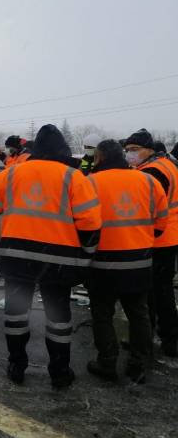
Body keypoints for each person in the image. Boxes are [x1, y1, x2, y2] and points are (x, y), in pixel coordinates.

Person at [0, 124, 101, 389]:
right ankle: (59, 371)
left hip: (16, 257)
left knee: (16, 314)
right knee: (58, 316)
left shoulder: (13, 173)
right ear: (62, 150)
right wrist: (86, 256)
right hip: (58, 261)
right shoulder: (74, 177)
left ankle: (16, 365)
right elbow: (91, 223)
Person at [86, 140, 168, 384]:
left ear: (99, 158)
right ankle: (138, 364)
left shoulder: (90, 183)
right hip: (139, 261)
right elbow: (161, 224)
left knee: (102, 314)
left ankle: (107, 362)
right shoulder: (149, 182)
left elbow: (81, 223)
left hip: (101, 263)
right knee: (138, 313)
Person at [124, 129, 178, 357]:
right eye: (127, 150)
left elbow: (146, 207)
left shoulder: (153, 171)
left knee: (157, 291)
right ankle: (161, 336)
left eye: (134, 150)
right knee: (159, 289)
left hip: (159, 238)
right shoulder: (166, 164)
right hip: (169, 235)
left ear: (149, 150)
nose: (129, 155)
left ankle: (166, 339)